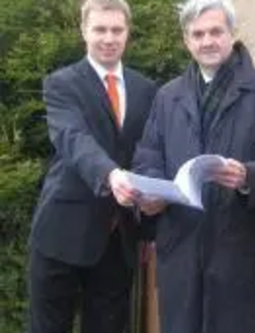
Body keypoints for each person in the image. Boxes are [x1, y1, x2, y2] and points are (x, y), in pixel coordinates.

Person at [123, 0, 255, 332]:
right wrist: (151, 193)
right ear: (186, 41)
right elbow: (147, 157)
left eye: (216, 31)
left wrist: (249, 175)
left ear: (232, 34)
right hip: (181, 253)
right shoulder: (167, 97)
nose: (207, 41)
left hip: (244, 255)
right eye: (198, 34)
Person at [28, 0, 157, 332]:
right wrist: (110, 174)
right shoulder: (62, 84)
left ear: (128, 33)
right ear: (84, 30)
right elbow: (73, 139)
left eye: (117, 29)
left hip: (118, 239)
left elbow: (149, 154)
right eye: (100, 29)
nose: (109, 38)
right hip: (61, 234)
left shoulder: (147, 90)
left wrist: (152, 217)